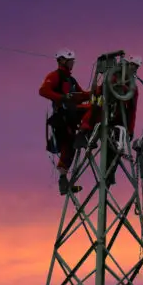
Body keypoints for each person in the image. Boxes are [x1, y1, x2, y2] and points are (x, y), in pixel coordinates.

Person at [76, 54, 142, 187]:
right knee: (94, 108)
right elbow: (97, 92)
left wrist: (130, 130)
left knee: (117, 149)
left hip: (119, 120)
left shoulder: (132, 89)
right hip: (104, 116)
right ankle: (83, 135)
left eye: (136, 67)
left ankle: (109, 175)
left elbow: (132, 110)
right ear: (125, 65)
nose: (134, 68)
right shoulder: (111, 79)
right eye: (132, 65)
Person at [39, 48, 90, 195]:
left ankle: (64, 182)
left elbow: (81, 95)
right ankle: (84, 132)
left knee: (70, 147)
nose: (72, 63)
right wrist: (62, 98)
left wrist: (97, 92)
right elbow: (43, 90)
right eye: (70, 61)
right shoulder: (55, 76)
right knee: (69, 145)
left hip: (71, 116)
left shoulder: (71, 80)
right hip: (63, 115)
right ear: (62, 61)